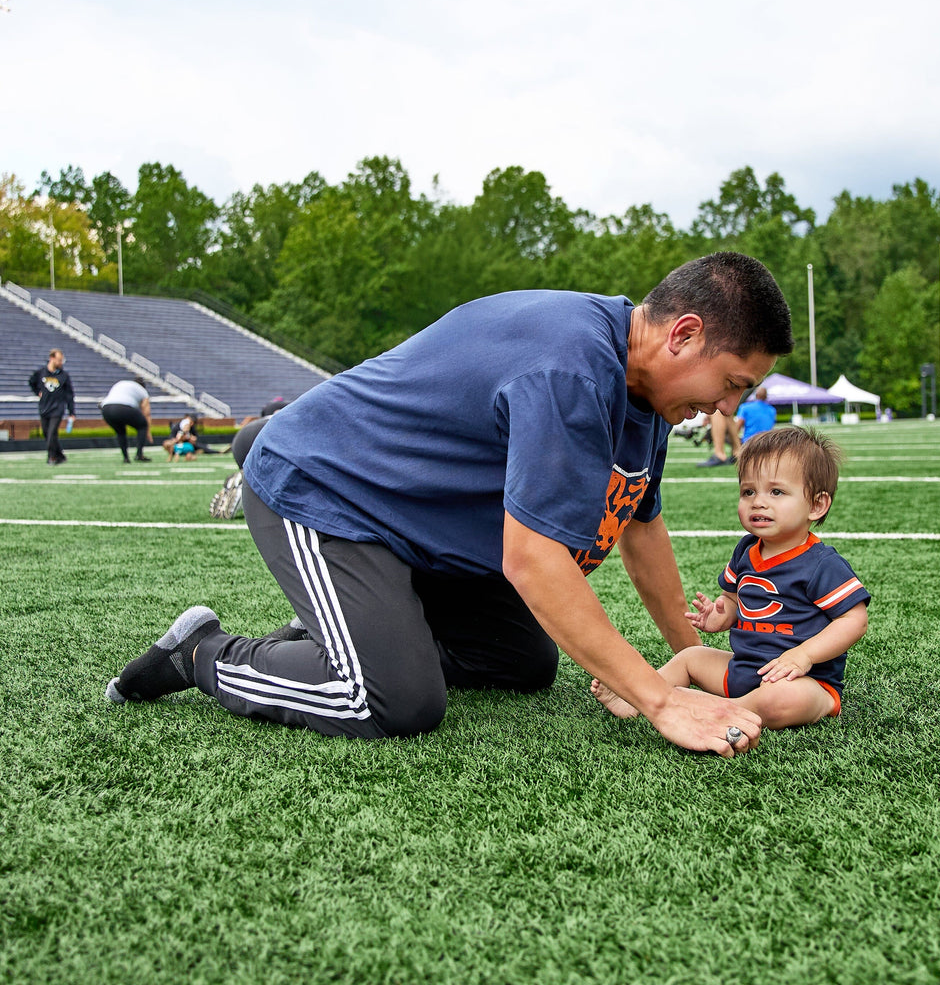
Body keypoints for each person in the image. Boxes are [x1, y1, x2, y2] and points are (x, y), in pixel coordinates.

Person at [106, 251, 794, 758]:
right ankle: (203, 655)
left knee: (520, 663)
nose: (728, 408)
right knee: (392, 701)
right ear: (683, 335)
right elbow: (532, 561)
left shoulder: (647, 392)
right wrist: (660, 700)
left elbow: (642, 528)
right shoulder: (571, 366)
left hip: (415, 522)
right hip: (326, 489)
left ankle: (355, 624)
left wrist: (690, 661)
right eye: (732, 383)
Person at [591, 425, 869, 730]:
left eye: (776, 492)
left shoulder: (820, 563)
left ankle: (718, 708)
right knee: (690, 656)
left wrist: (803, 655)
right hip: (744, 668)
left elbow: (854, 620)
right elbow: (735, 599)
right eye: (748, 491)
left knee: (781, 700)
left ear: (816, 505)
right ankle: (638, 697)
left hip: (803, 680)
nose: (758, 502)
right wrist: (721, 614)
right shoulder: (747, 550)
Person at [29, 348, 75, 466]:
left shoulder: (64, 376)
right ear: (52, 358)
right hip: (44, 408)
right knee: (47, 434)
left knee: (52, 432)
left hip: (57, 409)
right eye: (59, 360)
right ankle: (60, 455)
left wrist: (71, 412)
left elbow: (69, 395)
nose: (61, 363)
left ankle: (52, 457)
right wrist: (37, 392)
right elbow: (31, 382)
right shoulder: (41, 373)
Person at [100, 377, 154, 463]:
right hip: (123, 407)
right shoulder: (142, 391)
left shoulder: (121, 383)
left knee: (120, 432)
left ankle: (126, 458)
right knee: (143, 425)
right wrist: (148, 432)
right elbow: (146, 413)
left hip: (106, 408)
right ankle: (139, 454)